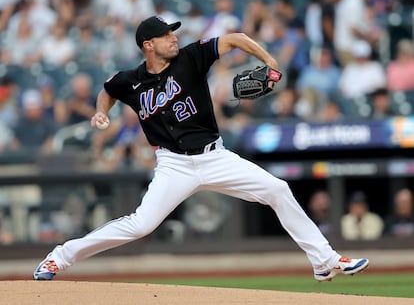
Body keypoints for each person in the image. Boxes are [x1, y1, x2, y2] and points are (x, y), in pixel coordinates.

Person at [33, 15, 369, 282]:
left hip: (215, 157)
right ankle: (59, 257)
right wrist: (101, 111)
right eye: (166, 35)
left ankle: (324, 262)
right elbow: (108, 88)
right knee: (140, 225)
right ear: (148, 45)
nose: (174, 37)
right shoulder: (130, 80)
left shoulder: (191, 57)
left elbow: (236, 39)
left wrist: (269, 59)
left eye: (173, 33)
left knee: (278, 189)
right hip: (173, 166)